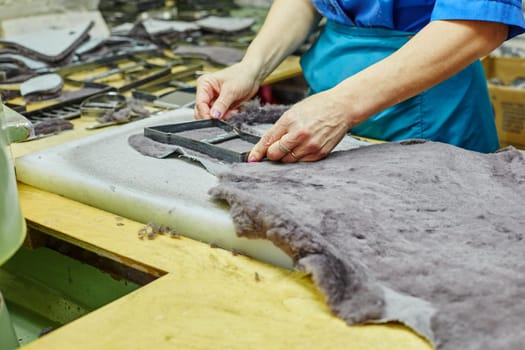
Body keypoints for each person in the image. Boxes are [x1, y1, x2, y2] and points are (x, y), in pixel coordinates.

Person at [194, 0, 525, 162]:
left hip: (429, 107)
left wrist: (341, 105)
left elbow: (480, 23)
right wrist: (252, 66)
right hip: (324, 95)